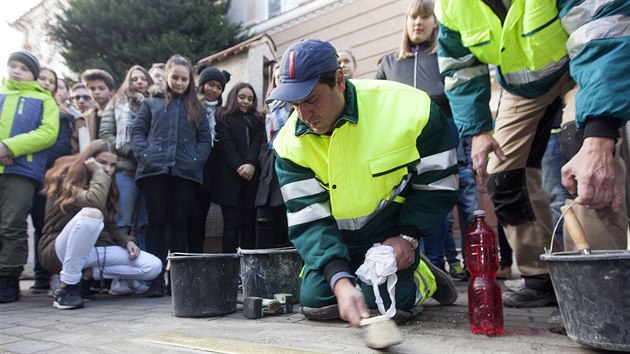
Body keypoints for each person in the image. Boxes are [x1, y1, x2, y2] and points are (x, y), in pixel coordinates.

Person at [435, 1, 630, 308]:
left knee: (585, 161)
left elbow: (603, 31)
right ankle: (540, 277)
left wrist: (600, 135)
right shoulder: (450, 6)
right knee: (502, 174)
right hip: (522, 88)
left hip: (582, 66)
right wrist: (477, 130)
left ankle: (600, 292)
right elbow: (460, 68)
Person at [268, 39, 458, 327]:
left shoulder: (408, 108)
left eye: (311, 100)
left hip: (391, 232)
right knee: (316, 301)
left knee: (386, 303)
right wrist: (339, 279)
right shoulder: (288, 145)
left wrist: (408, 236)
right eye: (295, 105)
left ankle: (423, 275)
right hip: (338, 237)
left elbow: (440, 179)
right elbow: (308, 218)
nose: (304, 116)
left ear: (340, 81)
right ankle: (351, 275)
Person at [376, 0, 456, 274]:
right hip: (398, 146)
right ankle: (411, 264)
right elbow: (376, 109)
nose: (418, 23)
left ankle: (436, 266)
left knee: (433, 200)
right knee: (402, 202)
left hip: (437, 142)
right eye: (412, 17)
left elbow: (456, 101)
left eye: (424, 17)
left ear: (435, 22)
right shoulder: (388, 63)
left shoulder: (445, 57)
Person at [38, 140, 162, 310]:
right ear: (88, 160)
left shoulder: (102, 182)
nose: (107, 169)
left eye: (112, 165)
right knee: (92, 214)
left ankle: (86, 274)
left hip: (91, 252)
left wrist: (127, 241)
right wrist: (99, 174)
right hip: (57, 251)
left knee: (153, 266)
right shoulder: (66, 179)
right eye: (102, 163)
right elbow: (93, 203)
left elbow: (109, 227)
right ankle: (66, 289)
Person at [131, 54, 212, 297]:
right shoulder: (151, 104)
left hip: (185, 174)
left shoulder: (197, 107)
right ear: (166, 76)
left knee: (179, 224)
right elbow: (138, 132)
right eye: (174, 77)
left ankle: (176, 282)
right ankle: (155, 279)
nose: (178, 82)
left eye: (183, 79)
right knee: (156, 223)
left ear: (190, 81)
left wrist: (195, 162)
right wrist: (145, 156)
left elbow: (205, 140)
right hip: (154, 172)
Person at [0, 51, 59, 303]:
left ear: (33, 74)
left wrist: (9, 147)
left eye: (23, 68)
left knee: (12, 225)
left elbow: (47, 133)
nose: (16, 71)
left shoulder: (44, 100)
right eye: (13, 66)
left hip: (22, 172)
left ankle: (8, 279)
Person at [99, 65, 153, 295]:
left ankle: (140, 275)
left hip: (149, 171)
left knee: (143, 224)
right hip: (126, 170)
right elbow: (107, 135)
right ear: (127, 81)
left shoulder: (153, 102)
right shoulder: (116, 102)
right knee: (121, 223)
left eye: (143, 78)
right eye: (135, 78)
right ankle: (118, 277)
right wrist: (134, 150)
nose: (139, 82)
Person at [28, 67, 75, 295]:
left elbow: (60, 148)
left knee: (43, 224)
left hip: (47, 177)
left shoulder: (63, 115)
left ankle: (43, 275)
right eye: (42, 79)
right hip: (20, 172)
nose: (46, 83)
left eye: (51, 81)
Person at [211, 82, 264, 253]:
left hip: (252, 179)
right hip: (229, 179)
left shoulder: (257, 119)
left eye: (250, 98)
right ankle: (229, 269)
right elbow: (226, 144)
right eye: (242, 97)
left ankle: (248, 269)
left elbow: (257, 142)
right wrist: (239, 166)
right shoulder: (222, 117)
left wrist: (250, 164)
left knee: (249, 224)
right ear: (234, 97)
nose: (246, 101)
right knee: (230, 225)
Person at [187, 64, 230, 252]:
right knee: (187, 219)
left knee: (200, 220)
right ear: (202, 84)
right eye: (210, 85)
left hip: (209, 176)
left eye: (219, 87)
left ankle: (197, 259)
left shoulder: (222, 113)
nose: (214, 90)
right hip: (190, 171)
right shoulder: (191, 107)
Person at [254, 63, 291, 249]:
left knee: (286, 220)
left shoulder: (297, 106)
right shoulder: (268, 110)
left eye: (283, 76)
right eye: (277, 77)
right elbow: (261, 141)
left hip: (287, 165)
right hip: (268, 170)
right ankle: (263, 271)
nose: (280, 79)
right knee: (262, 219)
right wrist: (263, 159)